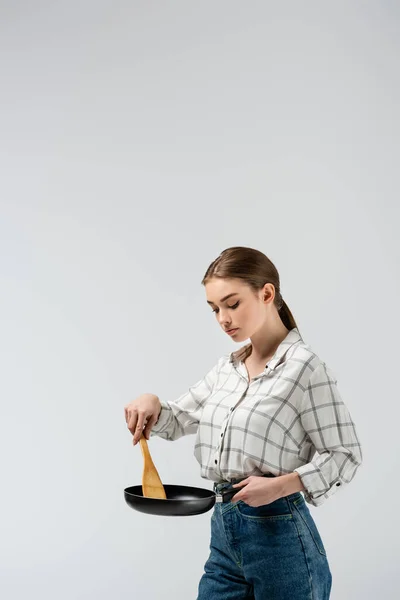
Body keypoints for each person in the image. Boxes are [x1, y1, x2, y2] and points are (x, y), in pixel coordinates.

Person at [124, 246, 363, 600]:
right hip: (223, 531)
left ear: (267, 293)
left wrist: (281, 486)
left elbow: (345, 454)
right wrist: (152, 403)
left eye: (232, 304)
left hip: (280, 533)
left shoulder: (304, 368)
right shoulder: (228, 369)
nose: (223, 318)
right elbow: (178, 418)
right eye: (214, 309)